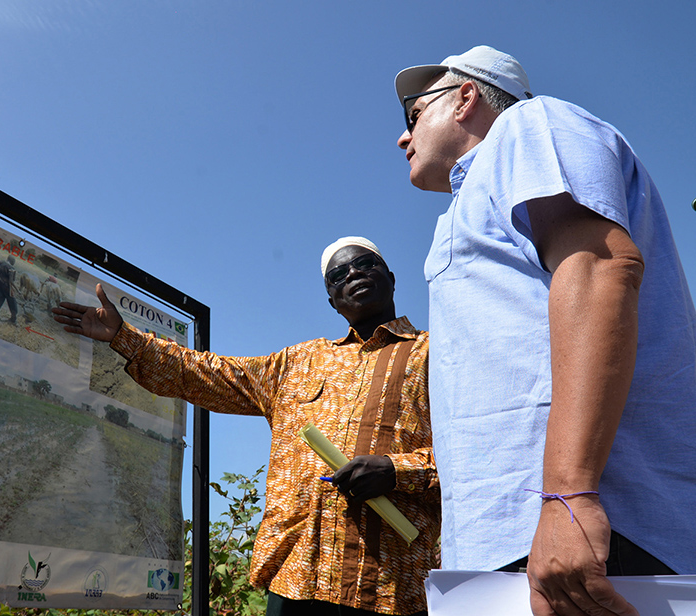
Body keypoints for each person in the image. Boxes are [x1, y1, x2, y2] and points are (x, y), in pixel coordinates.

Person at [393, 45, 696, 615]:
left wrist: (568, 495)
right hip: (515, 550)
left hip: (592, 539)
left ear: (465, 98)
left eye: (412, 116)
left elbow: (600, 265)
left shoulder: (529, 128)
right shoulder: (470, 200)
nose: (403, 139)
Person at [53, 237, 438, 616]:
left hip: (389, 583)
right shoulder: (297, 363)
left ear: (390, 276)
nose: (354, 272)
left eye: (365, 263)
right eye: (338, 274)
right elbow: (206, 374)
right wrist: (125, 338)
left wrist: (396, 471)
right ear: (331, 300)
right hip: (296, 575)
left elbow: (480, 455)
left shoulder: (435, 354)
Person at [0, 255, 18, 324]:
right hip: (6, 287)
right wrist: (17, 290)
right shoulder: (11, 268)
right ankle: (13, 319)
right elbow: (11, 282)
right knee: (13, 304)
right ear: (12, 262)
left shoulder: (0, 263)